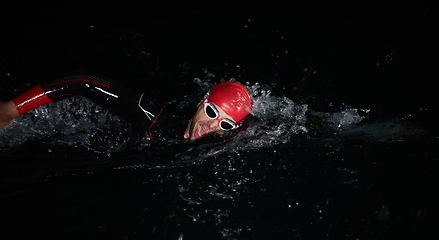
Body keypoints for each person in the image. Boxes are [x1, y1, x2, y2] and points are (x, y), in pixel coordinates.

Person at [0, 70, 252, 146]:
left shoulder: (222, 141)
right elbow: (83, 80)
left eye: (225, 124)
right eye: (211, 112)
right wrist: (11, 109)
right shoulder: (154, 117)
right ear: (201, 103)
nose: (210, 126)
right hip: (98, 139)